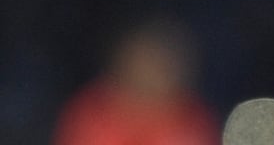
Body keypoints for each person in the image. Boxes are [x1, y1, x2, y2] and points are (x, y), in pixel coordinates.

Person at [52, 16, 219, 145]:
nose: (158, 69)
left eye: (167, 60)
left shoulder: (194, 118)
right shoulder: (90, 113)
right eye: (149, 58)